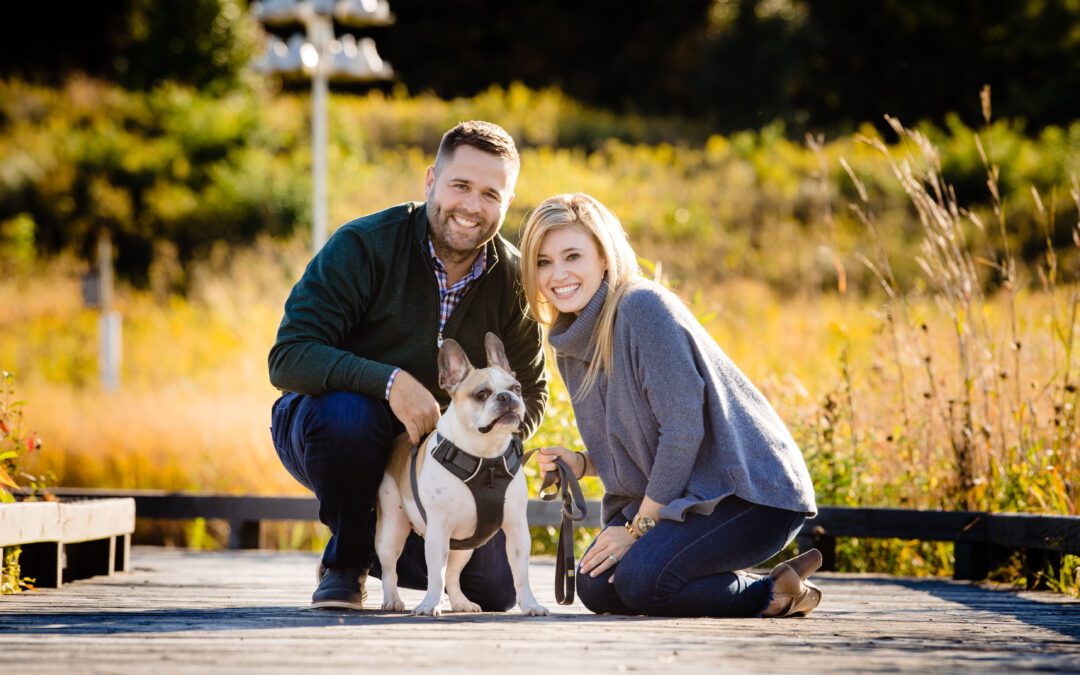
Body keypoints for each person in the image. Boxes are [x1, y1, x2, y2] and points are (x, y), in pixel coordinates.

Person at [268, 121, 548, 611]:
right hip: (334, 426)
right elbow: (289, 355)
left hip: (444, 462)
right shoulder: (364, 246)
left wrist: (490, 450)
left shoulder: (514, 278)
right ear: (430, 181)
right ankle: (347, 560)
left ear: (507, 201)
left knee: (491, 592)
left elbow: (534, 390)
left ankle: (392, 543)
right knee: (348, 419)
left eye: (490, 193)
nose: (471, 206)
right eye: (460, 185)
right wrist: (389, 382)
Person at [520, 193, 821, 618]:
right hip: (688, 496)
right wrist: (583, 464)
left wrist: (636, 528)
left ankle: (773, 594)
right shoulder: (571, 341)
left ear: (604, 258)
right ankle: (762, 584)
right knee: (597, 587)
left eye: (573, 256)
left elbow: (683, 431)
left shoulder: (643, 307)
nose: (558, 274)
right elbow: (638, 439)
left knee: (641, 581)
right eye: (543, 262)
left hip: (750, 497)